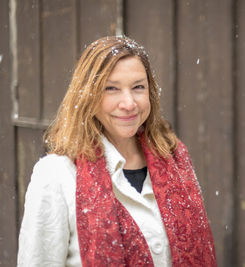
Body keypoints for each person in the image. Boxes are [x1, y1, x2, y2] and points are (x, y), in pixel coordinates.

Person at [18, 36, 217, 267]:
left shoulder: (174, 158)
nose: (129, 103)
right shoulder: (56, 174)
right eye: (111, 88)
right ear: (87, 95)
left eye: (138, 87)